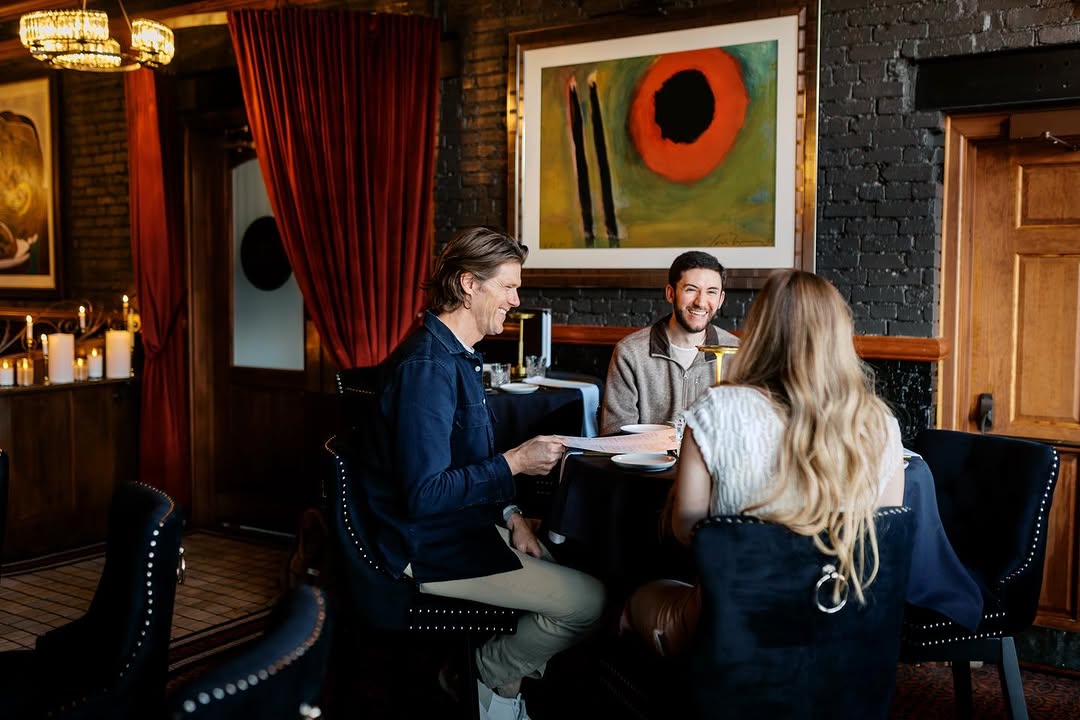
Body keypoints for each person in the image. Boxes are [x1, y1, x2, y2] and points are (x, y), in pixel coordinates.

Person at [365, 226, 606, 720]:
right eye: (509, 287)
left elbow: (467, 457)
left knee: (571, 563)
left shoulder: (455, 355)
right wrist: (515, 462)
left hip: (454, 527)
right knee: (590, 603)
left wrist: (514, 514)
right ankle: (488, 672)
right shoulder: (428, 368)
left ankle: (497, 684)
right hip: (423, 547)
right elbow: (425, 494)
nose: (516, 300)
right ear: (469, 284)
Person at [623, 269, 905, 657]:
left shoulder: (715, 410)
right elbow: (885, 539)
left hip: (735, 632)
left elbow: (689, 531)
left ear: (761, 330)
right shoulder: (882, 425)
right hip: (841, 634)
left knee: (632, 602)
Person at [600, 251, 739, 434]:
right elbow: (615, 434)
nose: (701, 302)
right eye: (691, 289)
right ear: (670, 293)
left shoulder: (739, 353)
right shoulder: (631, 353)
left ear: (721, 299)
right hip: (647, 453)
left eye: (711, 292)